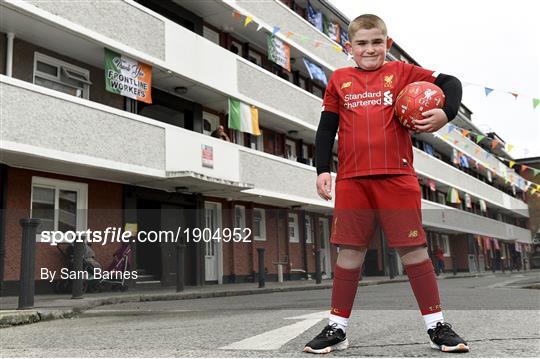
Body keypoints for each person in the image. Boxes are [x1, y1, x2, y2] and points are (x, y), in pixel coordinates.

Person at [303, 14, 469, 354]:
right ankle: (337, 328)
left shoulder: (403, 73)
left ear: (387, 44)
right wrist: (322, 168)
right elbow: (326, 128)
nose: (370, 49)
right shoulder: (338, 80)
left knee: (413, 250)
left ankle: (436, 325)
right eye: (362, 43)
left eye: (377, 42)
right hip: (351, 180)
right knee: (349, 251)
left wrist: (446, 113)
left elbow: (450, 81)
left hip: (396, 177)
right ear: (350, 47)